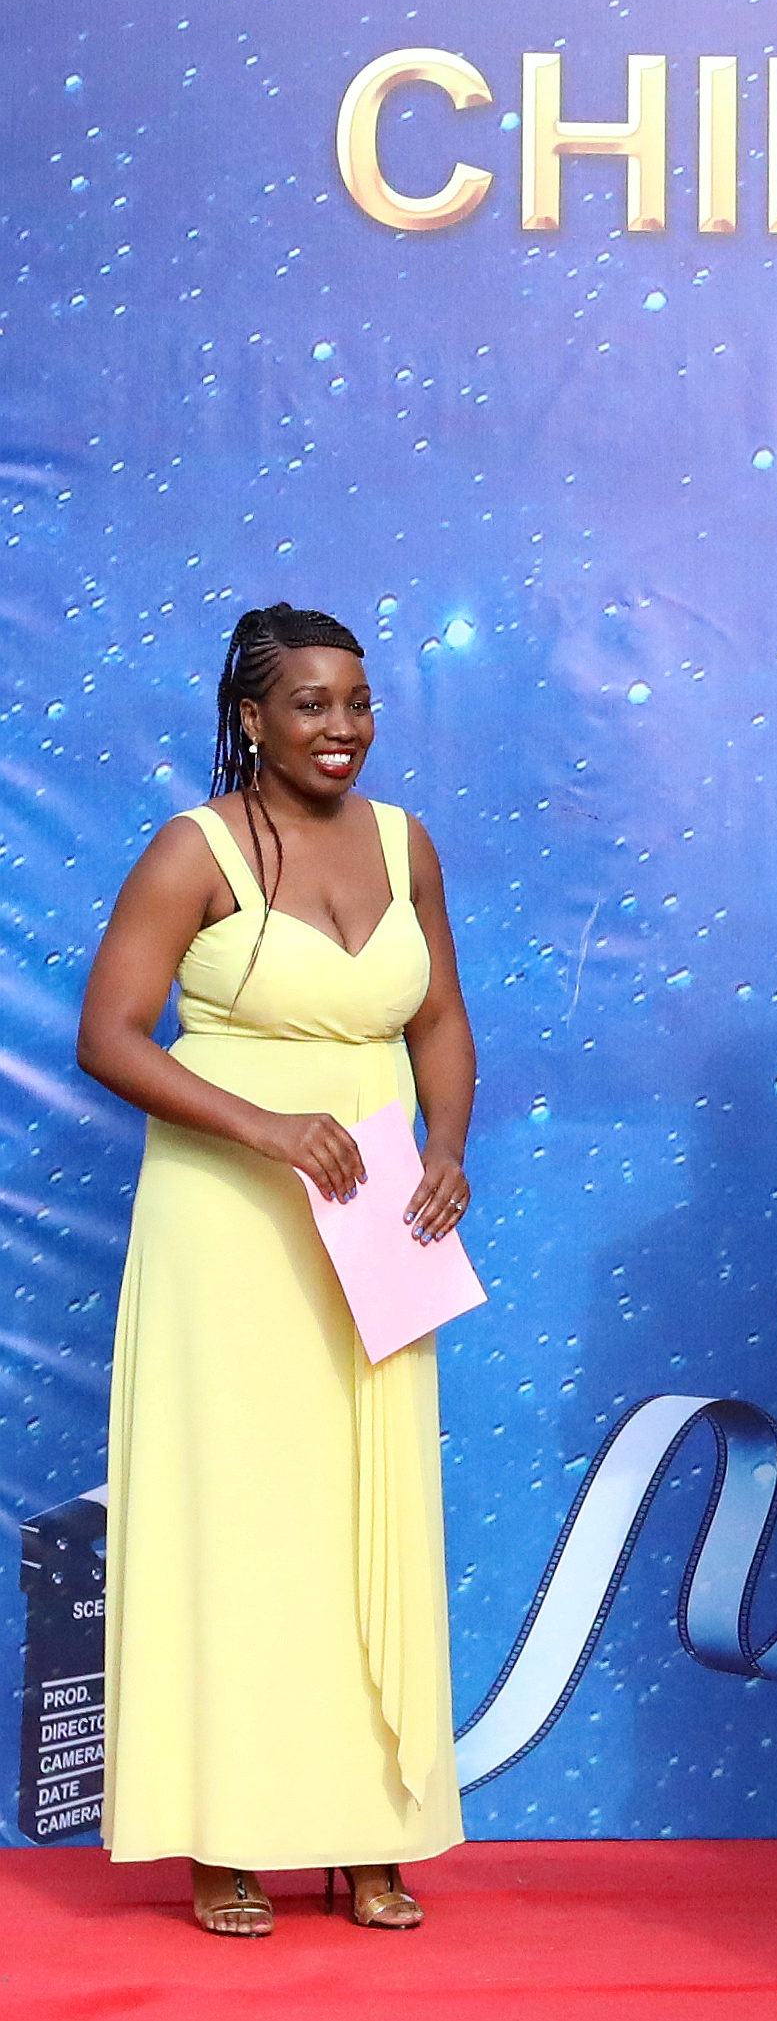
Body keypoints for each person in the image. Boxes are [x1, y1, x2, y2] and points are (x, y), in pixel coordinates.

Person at [73, 604, 478, 1936]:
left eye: (358, 702)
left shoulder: (407, 842)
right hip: (230, 1220)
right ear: (252, 717)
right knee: (241, 1518)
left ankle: (369, 1828)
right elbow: (111, 1035)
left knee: (367, 1515)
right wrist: (267, 1131)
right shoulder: (191, 850)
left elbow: (439, 1019)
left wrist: (446, 1148)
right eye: (310, 704)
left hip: (378, 1217)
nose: (341, 728)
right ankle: (228, 1834)